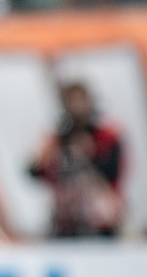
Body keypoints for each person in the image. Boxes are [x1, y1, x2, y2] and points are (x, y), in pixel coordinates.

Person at [28, 81, 125, 238]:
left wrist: (90, 155)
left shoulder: (107, 136)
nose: (76, 105)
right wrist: (41, 159)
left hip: (102, 221)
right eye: (71, 100)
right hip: (66, 221)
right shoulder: (57, 139)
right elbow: (35, 172)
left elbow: (114, 171)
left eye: (80, 99)